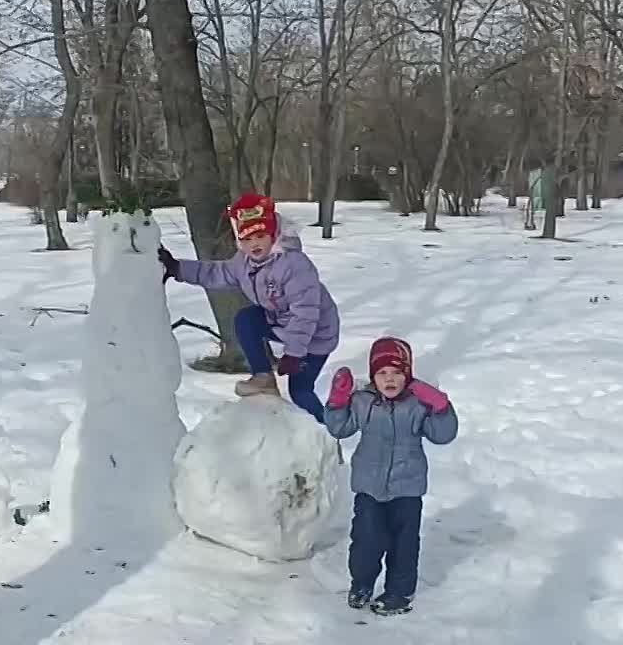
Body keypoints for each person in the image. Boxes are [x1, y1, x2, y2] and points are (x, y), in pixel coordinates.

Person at [157, 192, 339, 423]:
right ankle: (263, 377)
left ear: (273, 234)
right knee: (247, 318)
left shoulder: (294, 265)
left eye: (260, 236)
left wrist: (294, 352)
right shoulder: (243, 262)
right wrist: (177, 268)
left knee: (300, 391)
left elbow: (306, 312)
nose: (254, 244)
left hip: (316, 335)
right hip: (281, 321)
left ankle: (328, 431)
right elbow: (217, 273)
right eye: (247, 238)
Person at [324, 337, 459, 616]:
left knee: (404, 544)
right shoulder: (363, 402)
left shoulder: (417, 404)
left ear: (407, 374)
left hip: (407, 487)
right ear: (372, 376)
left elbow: (442, 435)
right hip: (368, 487)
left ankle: (399, 592)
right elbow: (340, 429)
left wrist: (441, 407)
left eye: (397, 372)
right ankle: (361, 584)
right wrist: (338, 401)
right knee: (366, 540)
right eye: (382, 372)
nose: (390, 379)